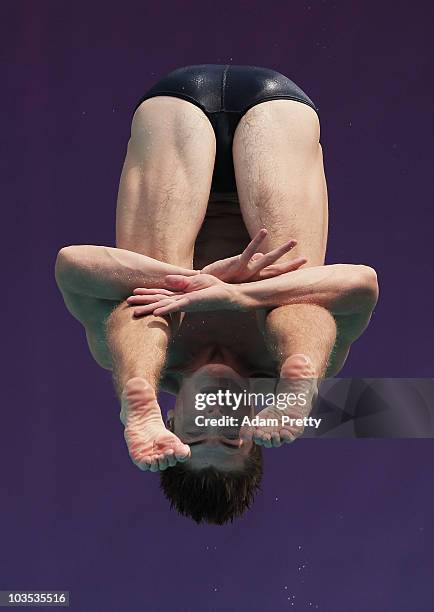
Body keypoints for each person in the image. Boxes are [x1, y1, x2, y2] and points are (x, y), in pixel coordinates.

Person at [55, 64, 379, 524]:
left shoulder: (124, 352)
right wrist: (241, 296)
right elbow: (361, 283)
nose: (216, 419)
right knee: (298, 306)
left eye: (198, 435)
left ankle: (136, 397)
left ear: (170, 423)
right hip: (278, 122)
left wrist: (194, 281)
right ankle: (299, 385)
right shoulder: (290, 353)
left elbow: (72, 265)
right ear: (255, 430)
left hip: (174, 118)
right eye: (230, 439)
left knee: (147, 307)